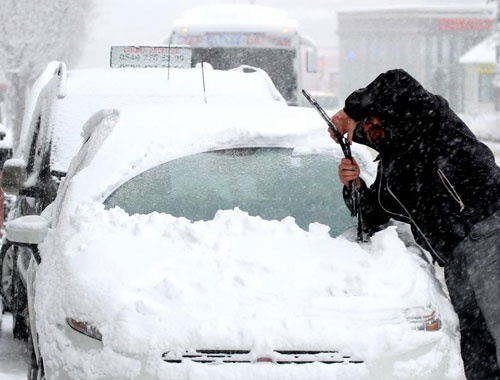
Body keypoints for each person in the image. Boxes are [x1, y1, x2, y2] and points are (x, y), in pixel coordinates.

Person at [330, 69, 500, 380]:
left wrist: (350, 110)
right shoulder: (390, 175)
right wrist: (350, 182)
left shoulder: (427, 119)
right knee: (477, 344)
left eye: (374, 118)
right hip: (454, 258)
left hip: (490, 231)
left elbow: (397, 80)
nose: (372, 126)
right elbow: (369, 215)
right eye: (367, 125)